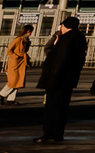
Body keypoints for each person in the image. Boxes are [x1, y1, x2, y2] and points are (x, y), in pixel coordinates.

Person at [35, 14, 88, 144]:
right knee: (62, 107)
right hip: (69, 79)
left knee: (52, 107)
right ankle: (58, 133)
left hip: (58, 79)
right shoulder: (80, 38)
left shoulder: (66, 39)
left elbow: (59, 60)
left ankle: (50, 133)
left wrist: (52, 78)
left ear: (65, 26)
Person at [0, 24, 32, 105]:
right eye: (30, 31)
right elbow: (9, 50)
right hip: (15, 63)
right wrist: (16, 57)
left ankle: (11, 100)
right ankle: (1, 94)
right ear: (27, 31)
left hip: (21, 63)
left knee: (18, 82)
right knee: (13, 81)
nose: (30, 33)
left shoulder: (26, 40)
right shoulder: (18, 39)